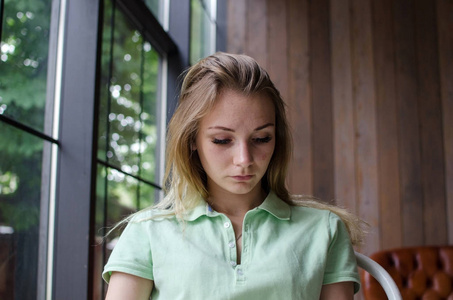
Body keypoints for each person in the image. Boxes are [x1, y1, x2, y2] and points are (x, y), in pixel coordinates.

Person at [102, 52, 365, 299]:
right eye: (222, 140)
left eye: (261, 138)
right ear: (192, 139)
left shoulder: (324, 230)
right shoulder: (147, 232)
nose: (244, 159)